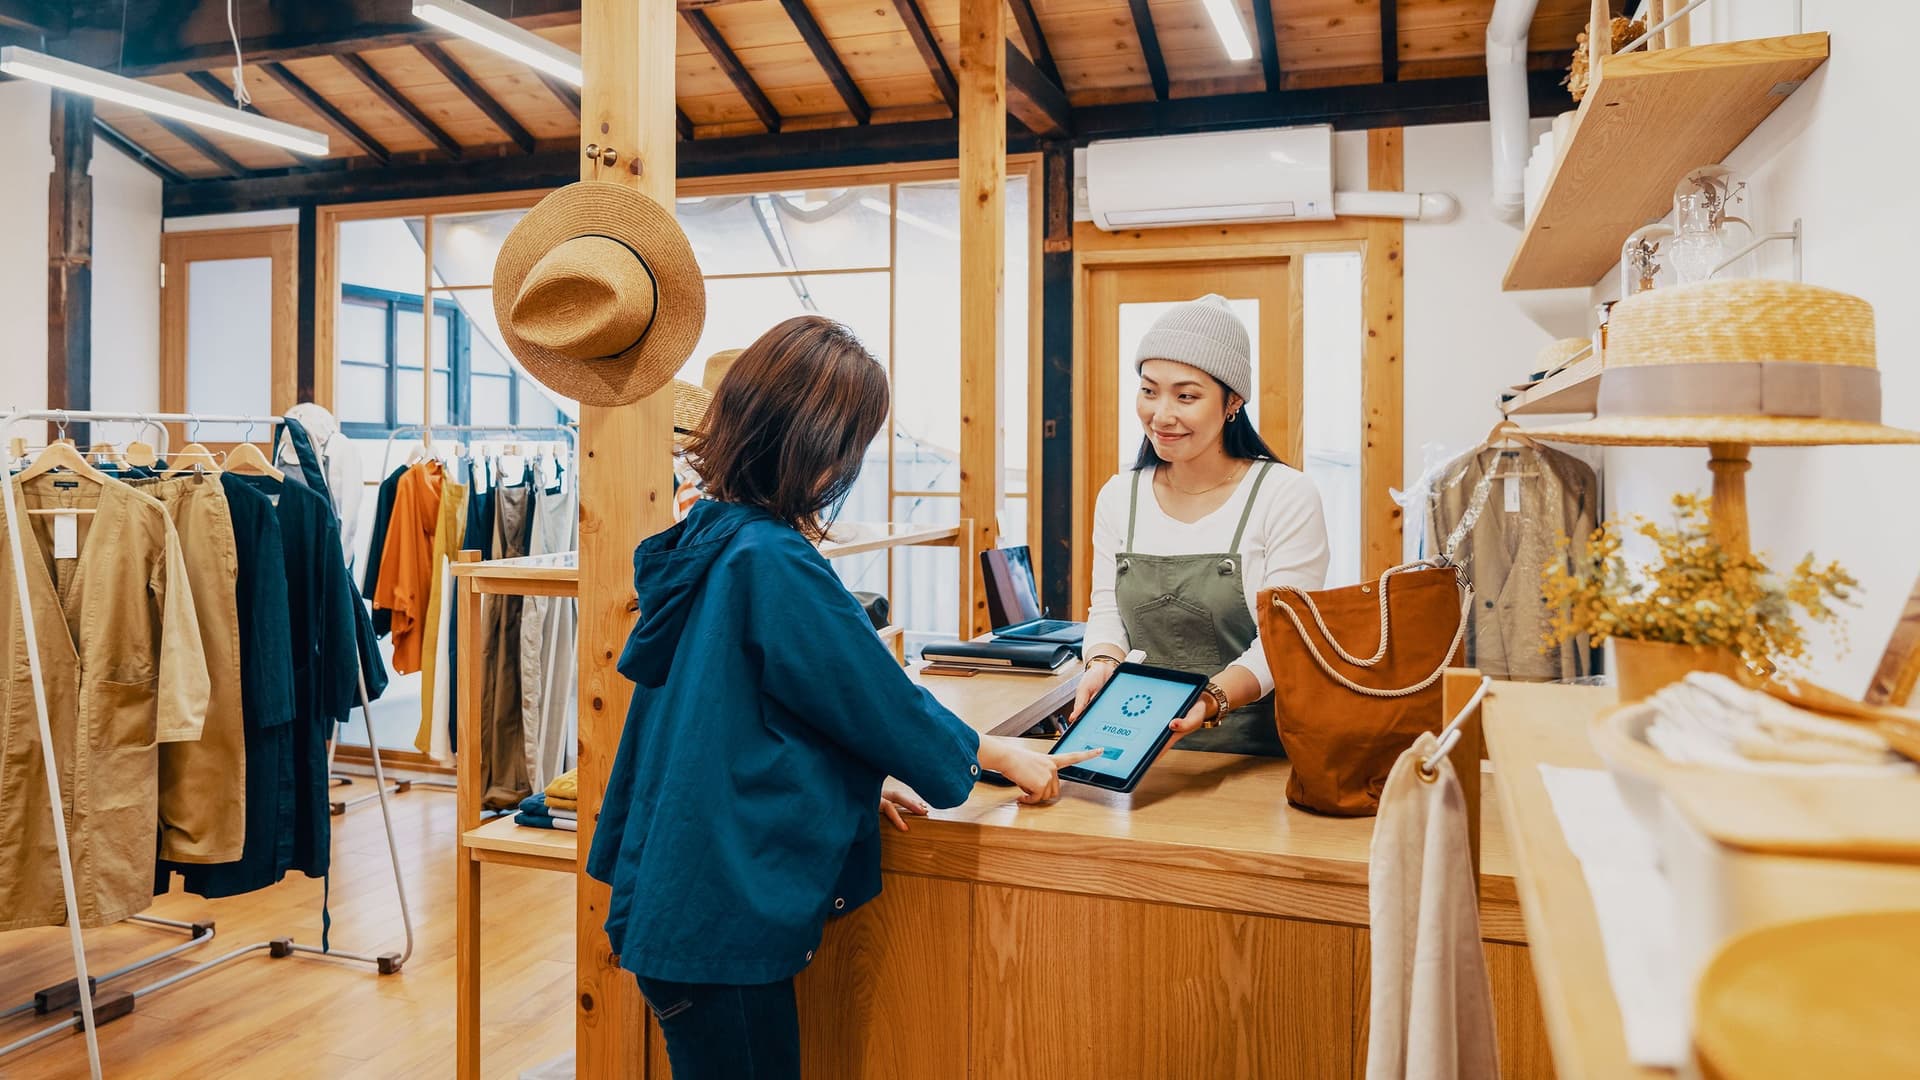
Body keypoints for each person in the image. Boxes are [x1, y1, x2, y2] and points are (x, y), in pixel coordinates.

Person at [585, 315, 1099, 1080]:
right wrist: (1001, 756)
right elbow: (875, 700)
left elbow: (768, 712)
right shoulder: (771, 558)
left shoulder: (712, 536)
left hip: (681, 890)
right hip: (718, 912)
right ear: (819, 450)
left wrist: (860, 780)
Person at [1074, 294, 1331, 756]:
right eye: (1149, 390)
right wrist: (1102, 662)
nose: (1161, 414)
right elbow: (1107, 609)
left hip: (1258, 755)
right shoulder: (1120, 497)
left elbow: (1285, 643)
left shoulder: (1284, 495)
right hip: (1134, 744)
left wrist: (1211, 699)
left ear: (1233, 401)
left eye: (1186, 396)